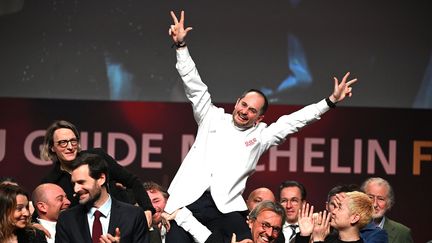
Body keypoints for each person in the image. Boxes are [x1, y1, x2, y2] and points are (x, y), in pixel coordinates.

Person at [164, 10, 358, 241]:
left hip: (224, 209)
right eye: (243, 105)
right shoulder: (211, 116)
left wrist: (330, 101)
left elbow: (295, 121)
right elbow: (194, 86)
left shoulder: (261, 136)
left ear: (260, 118)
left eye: (252, 111)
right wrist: (181, 46)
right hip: (186, 202)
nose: (244, 111)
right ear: (237, 102)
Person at [40, 120, 154, 225]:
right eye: (63, 143)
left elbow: (132, 181)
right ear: (52, 147)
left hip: (121, 221)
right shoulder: (51, 181)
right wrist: (37, 224)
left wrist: (147, 209)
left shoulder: (97, 157)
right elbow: (44, 210)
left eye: (73, 141)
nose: (70, 147)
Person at [55, 152, 148, 243]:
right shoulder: (66, 219)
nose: (76, 189)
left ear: (101, 179)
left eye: (81, 182)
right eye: (73, 184)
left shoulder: (133, 215)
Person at [361, 177, 413, 243]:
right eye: (370, 197)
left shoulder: (402, 233)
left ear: (389, 203)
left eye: (380, 199)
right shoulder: (352, 228)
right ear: (362, 199)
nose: (375, 204)